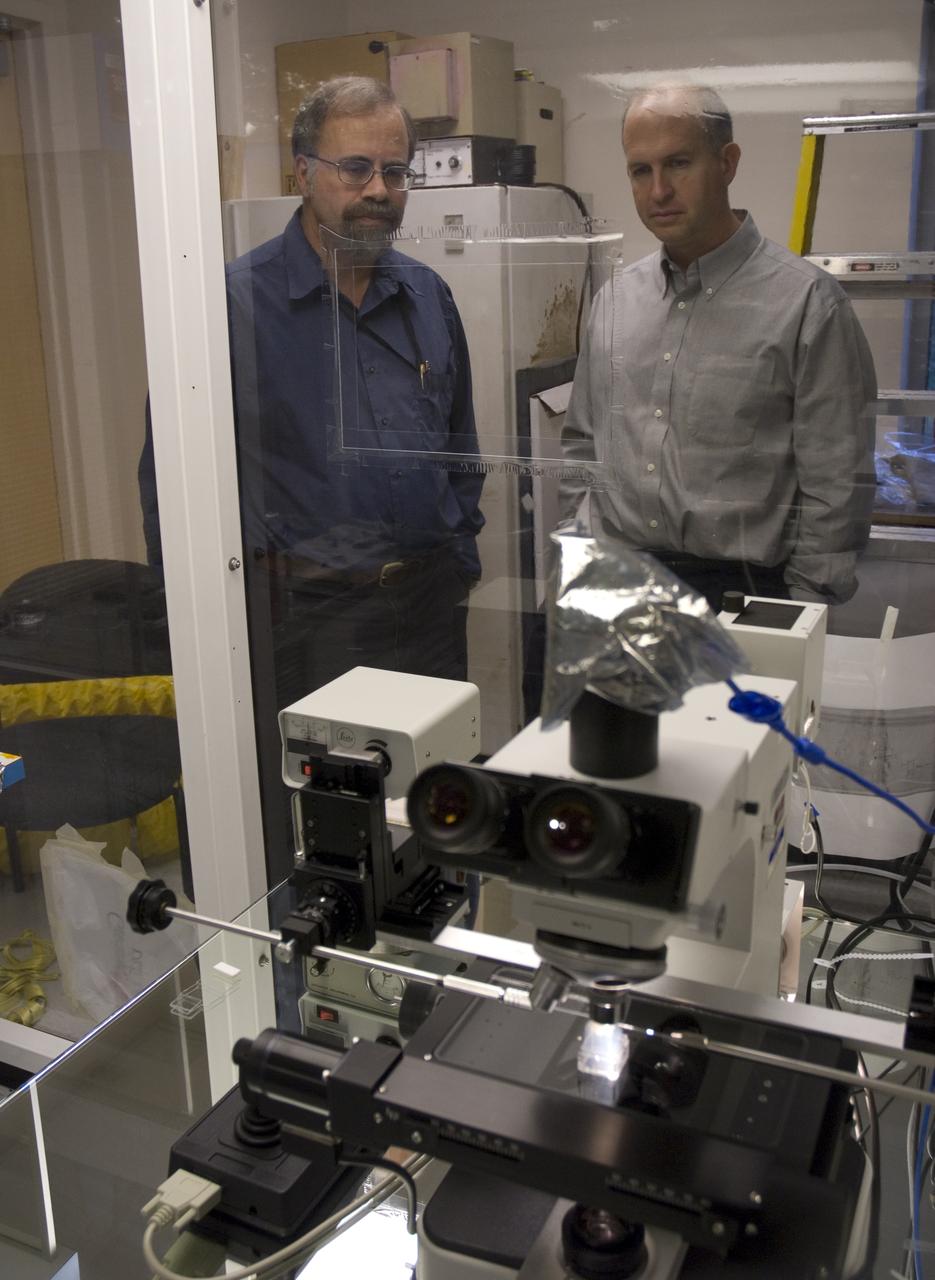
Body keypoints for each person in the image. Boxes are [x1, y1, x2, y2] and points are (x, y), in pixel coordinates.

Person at [139, 76, 485, 711]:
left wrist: (458, 561)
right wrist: (193, 631)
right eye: (355, 168)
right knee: (317, 806)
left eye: (396, 171)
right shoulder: (228, 307)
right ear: (303, 173)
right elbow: (172, 490)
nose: (379, 190)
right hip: (303, 622)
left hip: (427, 611)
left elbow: (461, 449)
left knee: (433, 792)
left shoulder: (427, 295)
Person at [560, 84, 877, 608]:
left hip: (744, 592)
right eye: (641, 171)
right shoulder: (614, 302)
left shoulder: (806, 304)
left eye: (678, 163)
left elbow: (836, 481)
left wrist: (799, 608)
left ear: (727, 163)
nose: (658, 190)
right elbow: (580, 447)